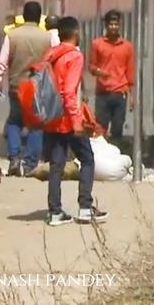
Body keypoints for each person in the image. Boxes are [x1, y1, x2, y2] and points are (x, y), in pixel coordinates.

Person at [42, 16, 107, 227]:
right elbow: (69, 92)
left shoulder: (50, 55)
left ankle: (55, 212)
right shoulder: (74, 57)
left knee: (56, 165)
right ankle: (86, 207)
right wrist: (76, 120)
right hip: (67, 119)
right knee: (87, 159)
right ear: (76, 33)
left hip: (51, 117)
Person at [0, 2, 50, 177]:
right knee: (36, 124)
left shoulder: (12, 35)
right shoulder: (48, 37)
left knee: (14, 122)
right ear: (39, 17)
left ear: (23, 16)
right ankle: (30, 163)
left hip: (17, 86)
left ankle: (14, 158)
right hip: (39, 87)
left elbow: (2, 63)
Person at [89, 10, 135, 151]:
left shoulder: (127, 47)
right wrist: (98, 72)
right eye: (111, 24)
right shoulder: (97, 44)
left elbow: (130, 72)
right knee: (100, 127)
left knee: (118, 126)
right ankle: (101, 153)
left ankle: (115, 152)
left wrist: (132, 95)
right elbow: (91, 66)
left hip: (120, 92)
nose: (114, 27)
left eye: (116, 24)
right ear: (106, 25)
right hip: (103, 92)